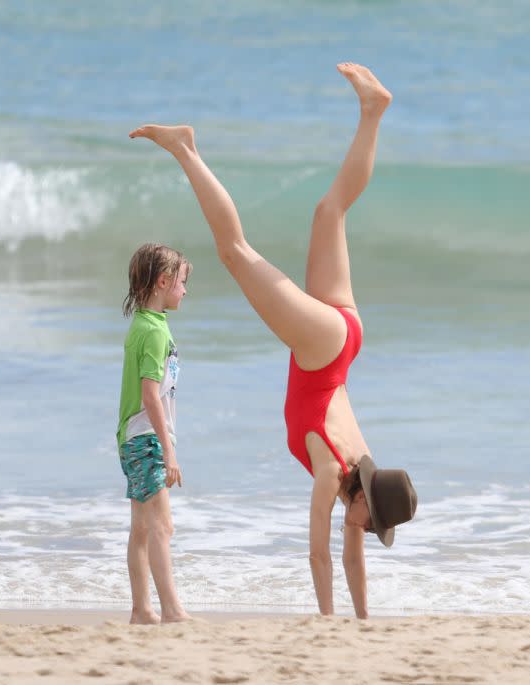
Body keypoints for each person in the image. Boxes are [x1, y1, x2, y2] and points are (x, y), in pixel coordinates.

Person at [130, 63, 416, 619]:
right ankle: (187, 149)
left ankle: (372, 113)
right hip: (324, 348)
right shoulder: (336, 471)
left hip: (343, 336)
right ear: (365, 504)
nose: (365, 532)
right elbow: (318, 554)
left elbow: (349, 559)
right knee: (235, 252)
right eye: (372, 523)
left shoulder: (361, 469)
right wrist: (330, 622)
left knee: (329, 210)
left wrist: (360, 622)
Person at [117, 243, 193, 624]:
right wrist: (170, 452)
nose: (185, 290)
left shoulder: (145, 326)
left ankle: (141, 610)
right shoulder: (154, 332)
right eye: (181, 282)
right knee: (162, 525)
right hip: (146, 439)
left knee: (143, 529)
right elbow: (150, 395)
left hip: (132, 438)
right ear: (163, 282)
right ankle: (172, 610)